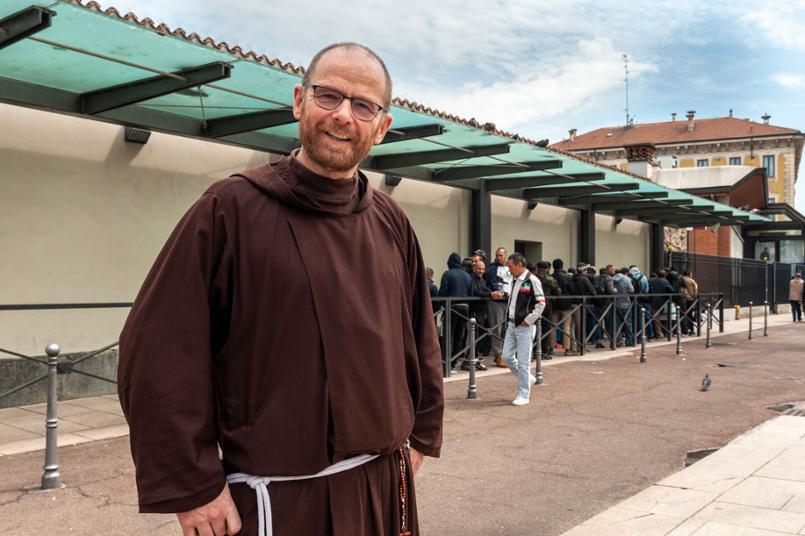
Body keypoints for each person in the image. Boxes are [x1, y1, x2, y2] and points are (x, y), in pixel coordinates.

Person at [118, 42, 443, 536]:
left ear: (381, 127)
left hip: (381, 490)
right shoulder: (230, 209)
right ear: (298, 101)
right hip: (277, 504)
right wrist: (194, 485)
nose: (342, 116)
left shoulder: (390, 222)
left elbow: (421, 340)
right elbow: (160, 351)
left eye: (362, 105)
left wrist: (420, 434)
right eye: (328, 96)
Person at [502, 253, 545, 406]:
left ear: (519, 265)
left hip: (524, 326)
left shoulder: (532, 280)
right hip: (512, 324)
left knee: (523, 361)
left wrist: (528, 320)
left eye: (510, 266)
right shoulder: (514, 280)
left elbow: (541, 303)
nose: (509, 269)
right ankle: (527, 379)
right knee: (506, 356)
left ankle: (523, 394)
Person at [439, 252, 473, 371]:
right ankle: (453, 363)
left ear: (449, 262)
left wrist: (441, 305)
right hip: (465, 308)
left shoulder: (447, 274)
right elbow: (471, 293)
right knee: (459, 336)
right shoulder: (468, 276)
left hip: (451, 307)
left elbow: (442, 292)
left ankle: (445, 364)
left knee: (447, 336)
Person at [466, 260, 503, 370]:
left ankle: (475, 359)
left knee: (478, 337)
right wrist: (490, 294)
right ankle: (469, 360)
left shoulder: (481, 279)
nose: (481, 271)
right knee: (473, 336)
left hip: (482, 312)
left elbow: (486, 290)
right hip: (474, 311)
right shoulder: (471, 279)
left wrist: (496, 293)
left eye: (483, 269)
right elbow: (475, 292)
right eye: (479, 268)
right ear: (474, 269)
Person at [485, 247, 512, 368]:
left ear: (506, 255)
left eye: (501, 255)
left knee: (506, 328)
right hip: (496, 301)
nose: (498, 257)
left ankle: (506, 354)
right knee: (497, 328)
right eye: (497, 255)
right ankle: (498, 355)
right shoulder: (492, 269)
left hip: (508, 301)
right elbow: (492, 285)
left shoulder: (510, 268)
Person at [535, 261, 560, 359]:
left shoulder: (533, 277)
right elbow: (557, 291)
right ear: (547, 269)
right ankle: (545, 351)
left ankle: (534, 350)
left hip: (534, 304)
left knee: (534, 328)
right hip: (546, 305)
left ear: (537, 267)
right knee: (546, 328)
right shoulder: (550, 279)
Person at [551, 258, 576, 354]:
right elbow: (572, 290)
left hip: (554, 304)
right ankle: (567, 349)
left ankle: (551, 348)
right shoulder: (567, 277)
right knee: (566, 327)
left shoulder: (551, 277)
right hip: (566, 304)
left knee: (553, 326)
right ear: (562, 266)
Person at [572, 264, 596, 354]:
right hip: (580, 304)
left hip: (571, 304)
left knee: (571, 327)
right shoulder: (584, 279)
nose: (587, 272)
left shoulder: (572, 278)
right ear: (582, 271)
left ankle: (573, 347)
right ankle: (581, 347)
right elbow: (593, 292)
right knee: (580, 327)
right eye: (586, 270)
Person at [649, 269, 675, 338]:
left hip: (653, 301)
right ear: (664, 275)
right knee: (666, 317)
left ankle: (659, 333)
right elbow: (671, 290)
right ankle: (668, 332)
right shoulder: (666, 281)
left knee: (656, 318)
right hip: (664, 301)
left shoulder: (651, 280)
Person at [613, 267, 635, 346]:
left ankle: (617, 342)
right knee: (628, 323)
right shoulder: (626, 279)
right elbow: (632, 290)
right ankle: (629, 341)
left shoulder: (613, 278)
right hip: (626, 303)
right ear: (626, 273)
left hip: (615, 303)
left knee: (616, 323)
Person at [679, 270, 699, 335]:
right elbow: (696, 290)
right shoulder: (692, 281)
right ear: (689, 274)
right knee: (689, 314)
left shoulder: (680, 279)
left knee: (683, 314)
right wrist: (695, 298)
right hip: (690, 299)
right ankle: (691, 329)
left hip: (682, 298)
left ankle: (684, 329)